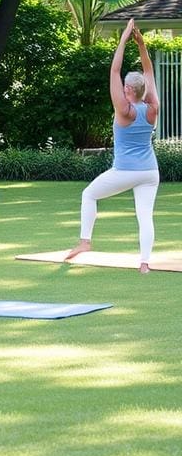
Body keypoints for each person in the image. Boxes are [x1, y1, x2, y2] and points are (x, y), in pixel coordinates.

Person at [66, 19, 160, 274]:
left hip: (125, 170)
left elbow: (113, 71)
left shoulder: (124, 110)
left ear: (128, 89)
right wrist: (141, 46)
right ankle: (144, 263)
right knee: (145, 216)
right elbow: (148, 72)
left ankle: (85, 240)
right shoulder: (152, 109)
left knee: (89, 194)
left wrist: (123, 39)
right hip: (150, 171)